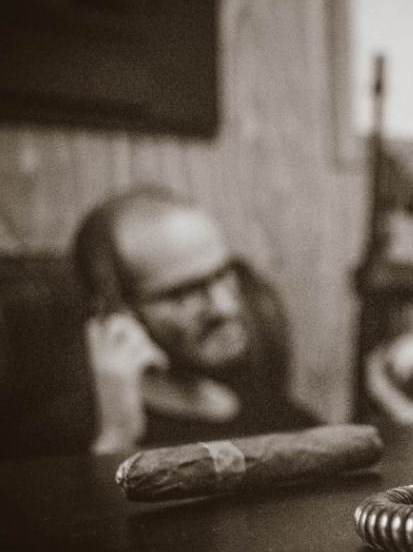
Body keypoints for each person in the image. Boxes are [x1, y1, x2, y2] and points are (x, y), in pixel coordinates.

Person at [72, 187, 317, 454]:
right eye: (183, 293)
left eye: (224, 274)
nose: (225, 307)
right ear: (116, 310)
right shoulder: (72, 433)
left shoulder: (278, 416)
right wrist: (117, 438)